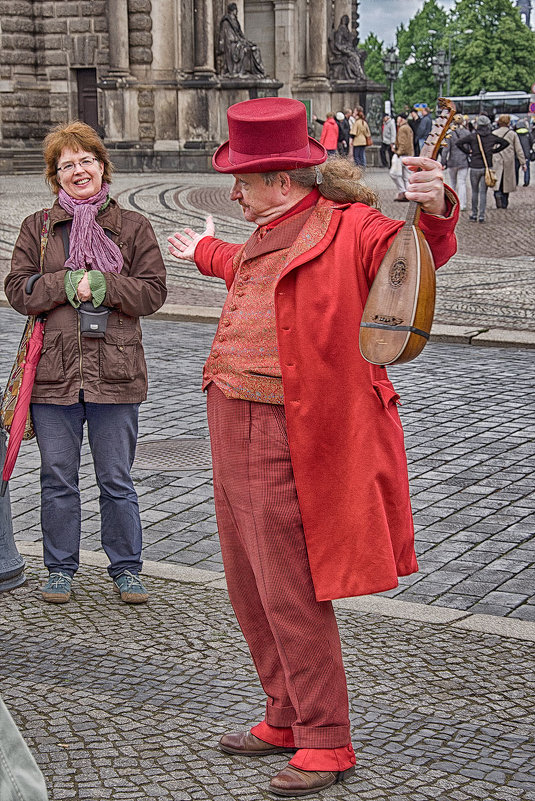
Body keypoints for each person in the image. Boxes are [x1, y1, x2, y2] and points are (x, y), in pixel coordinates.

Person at [167, 97, 458, 798]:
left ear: (282, 180)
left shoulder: (348, 226)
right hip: (228, 421)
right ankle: (284, 712)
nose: (233, 190)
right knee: (248, 583)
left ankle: (326, 738)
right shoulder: (268, 230)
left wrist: (438, 201)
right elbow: (241, 263)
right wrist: (200, 250)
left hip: (289, 431)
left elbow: (413, 252)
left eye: (242, 178)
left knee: (291, 589)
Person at [4, 121, 167, 604]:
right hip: (54, 379)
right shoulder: (38, 227)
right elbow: (17, 288)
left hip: (115, 375)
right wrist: (66, 283)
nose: (79, 171)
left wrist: (103, 287)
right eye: (67, 165)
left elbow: (153, 291)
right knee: (58, 478)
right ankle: (60, 569)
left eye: (86, 161)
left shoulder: (133, 226)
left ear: (102, 165)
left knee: (117, 478)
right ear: (56, 177)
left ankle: (126, 569)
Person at [456, 114, 509, 222]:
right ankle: (481, 215)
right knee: (483, 192)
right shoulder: (491, 137)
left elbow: (459, 143)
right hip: (487, 167)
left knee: (475, 191)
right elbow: (505, 143)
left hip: (475, 166)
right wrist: (494, 151)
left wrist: (468, 152)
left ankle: (474, 214)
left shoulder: (473, 136)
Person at [217, 2, 265, 77]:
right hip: (232, 45)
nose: (237, 12)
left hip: (238, 42)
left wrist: (247, 42)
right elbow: (228, 37)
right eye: (236, 10)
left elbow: (241, 34)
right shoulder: (226, 22)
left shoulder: (236, 22)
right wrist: (239, 41)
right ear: (233, 10)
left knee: (255, 49)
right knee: (244, 50)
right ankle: (239, 71)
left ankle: (257, 71)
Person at [491, 114, 526, 208]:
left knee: (497, 181)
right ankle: (504, 202)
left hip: (497, 159)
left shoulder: (494, 133)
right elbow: (518, 149)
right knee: (506, 183)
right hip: (508, 160)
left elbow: (490, 148)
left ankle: (497, 196)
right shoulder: (512, 134)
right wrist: (523, 162)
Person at [440, 113, 470, 211]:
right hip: (463, 161)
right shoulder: (467, 133)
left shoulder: (450, 134)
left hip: (452, 161)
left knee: (452, 183)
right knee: (462, 183)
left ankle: (453, 203)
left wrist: (442, 162)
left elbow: (445, 150)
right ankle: (463, 204)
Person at [391, 112, 414, 200]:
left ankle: (403, 192)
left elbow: (403, 143)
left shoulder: (403, 128)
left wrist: (398, 152)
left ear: (401, 119)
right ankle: (408, 194)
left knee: (394, 174)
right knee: (407, 176)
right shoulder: (408, 127)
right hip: (408, 154)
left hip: (402, 155)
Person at [514, 119, 533, 186]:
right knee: (526, 168)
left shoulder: (515, 133)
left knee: (516, 169)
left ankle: (516, 182)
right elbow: (531, 142)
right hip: (526, 154)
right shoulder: (528, 133)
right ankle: (526, 182)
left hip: (517, 153)